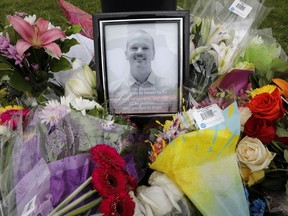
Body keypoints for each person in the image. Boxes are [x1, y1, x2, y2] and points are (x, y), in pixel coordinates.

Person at [109, 30, 178, 114]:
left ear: (153, 54)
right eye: (134, 48)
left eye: (145, 48)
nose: (139, 52)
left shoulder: (171, 88)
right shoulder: (112, 91)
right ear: (126, 54)